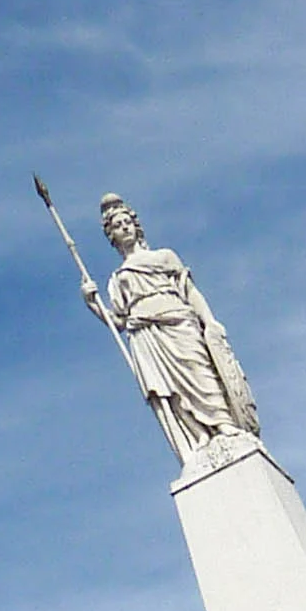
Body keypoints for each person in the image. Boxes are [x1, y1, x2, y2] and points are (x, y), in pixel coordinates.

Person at [89, 196, 258, 462]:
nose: (124, 228)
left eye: (127, 222)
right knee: (170, 388)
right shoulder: (118, 278)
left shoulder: (164, 257)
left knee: (199, 370)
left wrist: (210, 321)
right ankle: (199, 436)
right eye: (118, 225)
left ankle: (223, 422)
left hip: (178, 319)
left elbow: (189, 291)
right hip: (145, 333)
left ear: (136, 225)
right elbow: (119, 322)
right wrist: (94, 305)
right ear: (112, 236)